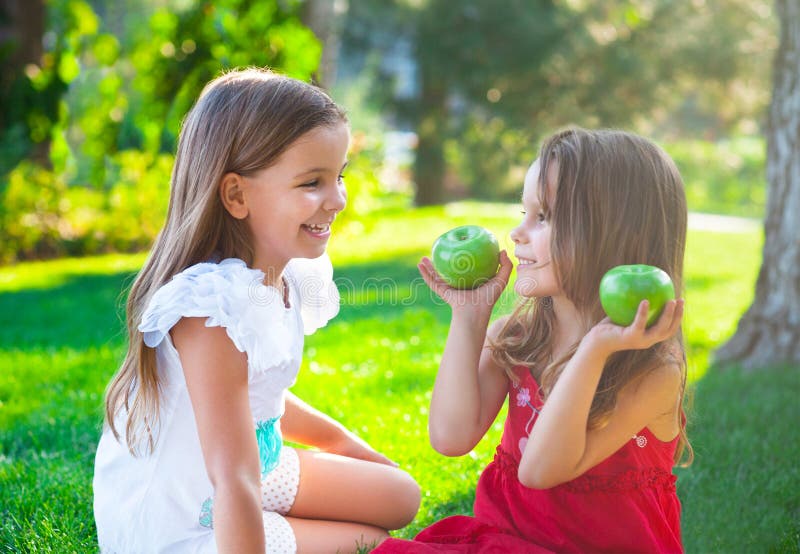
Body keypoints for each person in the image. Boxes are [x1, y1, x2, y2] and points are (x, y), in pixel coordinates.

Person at [93, 68, 420, 554]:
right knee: (367, 542)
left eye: (340, 176)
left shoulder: (283, 278)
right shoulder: (211, 312)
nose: (337, 200)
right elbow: (232, 477)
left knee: (400, 497)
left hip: (252, 472)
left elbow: (260, 395)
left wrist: (351, 448)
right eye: (313, 182)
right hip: (187, 521)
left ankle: (279, 515)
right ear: (237, 195)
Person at [374, 128, 690, 553]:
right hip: (509, 540)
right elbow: (451, 437)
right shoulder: (517, 337)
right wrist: (469, 317)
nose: (517, 233)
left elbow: (540, 471)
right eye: (524, 212)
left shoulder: (652, 370)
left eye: (543, 217)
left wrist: (595, 349)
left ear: (613, 235)